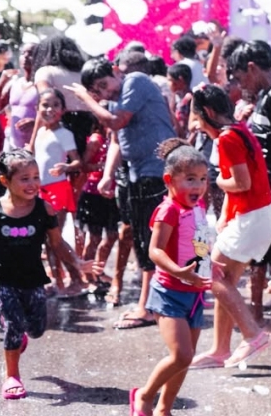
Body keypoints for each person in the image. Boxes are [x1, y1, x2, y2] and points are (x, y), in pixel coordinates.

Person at [68, 57, 176, 329]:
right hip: (136, 173)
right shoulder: (116, 98)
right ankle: (151, 303)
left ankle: (149, 307)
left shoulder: (134, 82)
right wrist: (107, 175)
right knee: (141, 238)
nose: (106, 93)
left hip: (155, 170)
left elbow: (116, 122)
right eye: (99, 91)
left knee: (149, 239)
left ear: (116, 71)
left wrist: (87, 99)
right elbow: (116, 138)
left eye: (105, 85)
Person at [188, 85, 271, 369]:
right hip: (257, 215)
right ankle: (220, 350)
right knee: (224, 280)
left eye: (198, 117)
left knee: (211, 274)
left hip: (252, 218)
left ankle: (253, 334)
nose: (197, 124)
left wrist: (216, 181)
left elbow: (240, 183)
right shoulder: (239, 129)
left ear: (210, 113)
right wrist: (227, 214)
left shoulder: (227, 139)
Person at [0, 149, 93, 400]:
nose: (32, 183)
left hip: (33, 278)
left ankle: (18, 337)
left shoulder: (44, 209)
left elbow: (57, 243)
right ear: (4, 181)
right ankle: (12, 376)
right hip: (3, 279)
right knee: (14, 323)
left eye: (35, 177)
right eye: (24, 178)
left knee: (36, 328)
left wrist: (76, 263)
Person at [131, 139, 213, 416]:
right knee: (182, 355)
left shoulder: (198, 208)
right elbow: (153, 250)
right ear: (169, 179)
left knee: (183, 360)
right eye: (190, 179)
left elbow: (199, 245)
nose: (198, 186)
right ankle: (144, 396)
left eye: (202, 179)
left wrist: (213, 265)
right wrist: (177, 271)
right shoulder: (169, 210)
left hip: (195, 294)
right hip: (169, 292)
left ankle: (164, 409)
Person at [227, 40, 271, 333]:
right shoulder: (264, 96)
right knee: (258, 250)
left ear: (253, 68)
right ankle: (255, 312)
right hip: (261, 188)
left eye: (242, 76)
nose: (241, 83)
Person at [31, 89, 83, 295]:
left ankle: (77, 278)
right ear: (37, 108)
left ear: (63, 110)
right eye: (45, 105)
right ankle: (57, 280)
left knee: (55, 238)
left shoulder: (64, 134)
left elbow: (78, 160)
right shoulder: (41, 132)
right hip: (40, 190)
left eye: (55, 105)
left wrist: (66, 167)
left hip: (57, 189)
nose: (49, 109)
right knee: (46, 238)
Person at [78, 118, 119, 293]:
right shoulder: (96, 140)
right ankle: (87, 276)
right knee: (94, 238)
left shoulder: (116, 137)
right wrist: (102, 166)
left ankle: (98, 271)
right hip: (94, 194)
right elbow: (83, 165)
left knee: (112, 236)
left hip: (112, 194)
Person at [3, 43, 37, 151]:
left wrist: (35, 122)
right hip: (13, 146)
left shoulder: (43, 85)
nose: (26, 56)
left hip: (34, 147)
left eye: (31, 53)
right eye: (23, 53)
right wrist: (2, 82)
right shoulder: (15, 83)